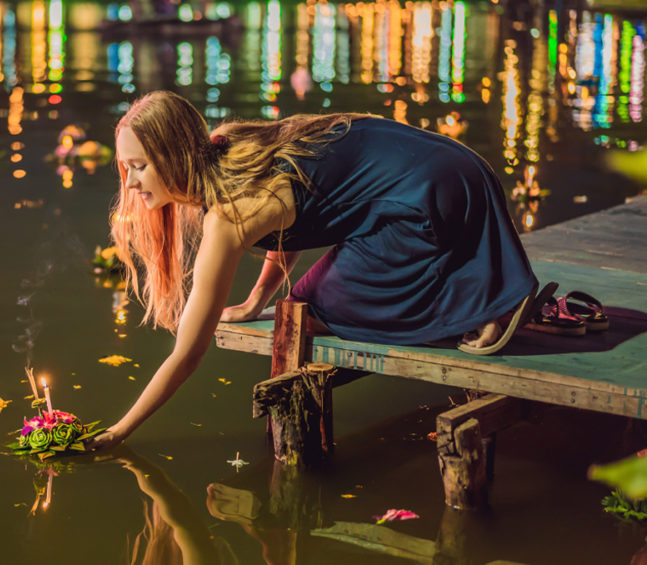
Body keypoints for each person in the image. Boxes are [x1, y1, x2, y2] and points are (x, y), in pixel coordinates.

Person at [86, 91, 548, 452]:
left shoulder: (227, 219)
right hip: (454, 170)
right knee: (302, 301)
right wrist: (255, 302)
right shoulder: (227, 146)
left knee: (317, 307)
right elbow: (290, 224)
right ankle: (490, 291)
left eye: (139, 167)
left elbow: (187, 353)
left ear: (174, 156)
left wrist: (119, 431)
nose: (128, 183)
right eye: (125, 168)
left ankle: (484, 308)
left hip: (430, 199)